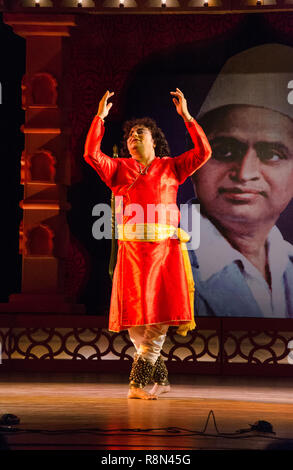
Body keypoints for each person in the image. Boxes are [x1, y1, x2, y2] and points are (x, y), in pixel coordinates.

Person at [84, 89, 211, 398]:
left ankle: (137, 384)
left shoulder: (172, 167)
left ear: (155, 141)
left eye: (140, 134)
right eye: (129, 136)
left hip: (163, 252)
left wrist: (187, 117)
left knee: (161, 317)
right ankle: (161, 380)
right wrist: (100, 118)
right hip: (131, 254)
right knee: (135, 323)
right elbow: (91, 155)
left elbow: (204, 152)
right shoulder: (118, 170)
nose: (133, 138)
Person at [181, 44, 293, 318]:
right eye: (225, 150)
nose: (244, 173)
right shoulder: (159, 258)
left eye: (272, 154)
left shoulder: (288, 262)